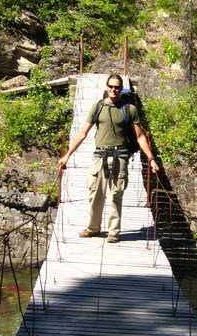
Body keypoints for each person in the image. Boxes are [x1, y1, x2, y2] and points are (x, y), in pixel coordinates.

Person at [58, 74, 159, 243]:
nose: (113, 89)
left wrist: (151, 159)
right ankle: (93, 228)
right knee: (95, 193)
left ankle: (113, 232)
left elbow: (140, 136)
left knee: (115, 194)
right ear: (106, 87)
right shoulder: (97, 107)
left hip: (120, 156)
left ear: (120, 88)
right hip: (100, 156)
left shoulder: (129, 109)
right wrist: (67, 155)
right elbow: (82, 133)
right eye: (111, 86)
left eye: (117, 87)